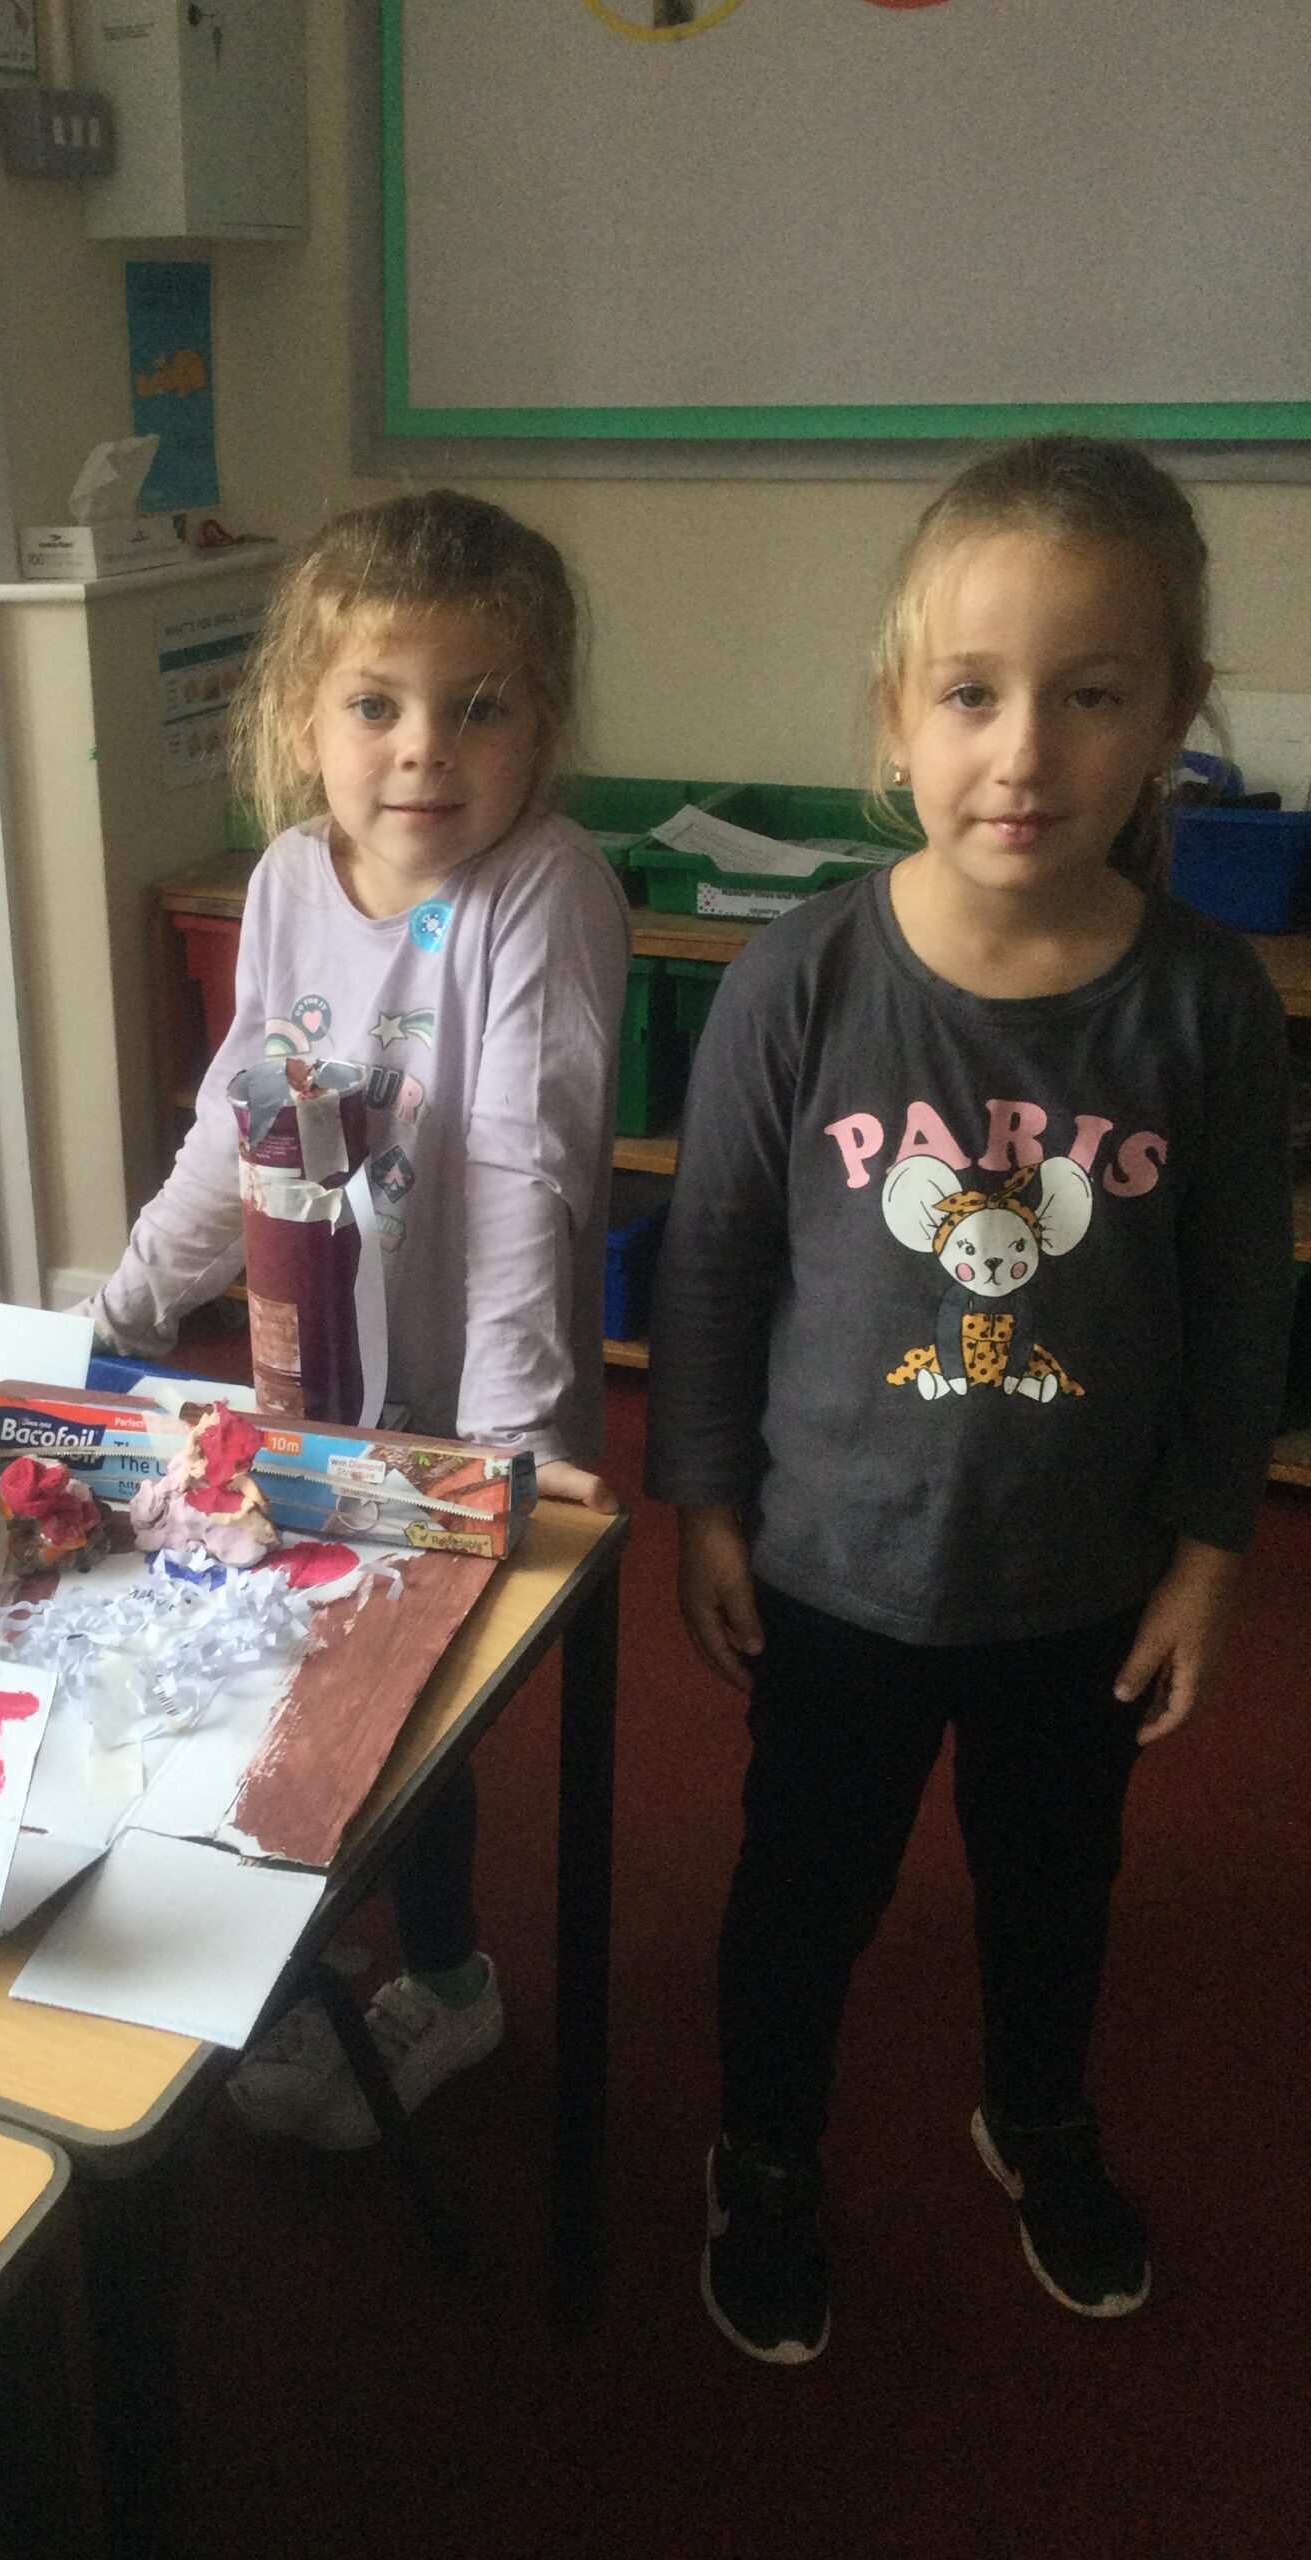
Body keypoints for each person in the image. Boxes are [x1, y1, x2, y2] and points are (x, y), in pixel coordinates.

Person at [647, 435, 1293, 2363]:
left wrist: (1212, 1554)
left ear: (1173, 716)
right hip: (838, 1570)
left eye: (1091, 696)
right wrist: (704, 1501)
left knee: (1054, 1888)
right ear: (895, 716)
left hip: (1081, 1583)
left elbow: (1239, 1299)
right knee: (804, 1894)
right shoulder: (799, 979)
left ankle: (1037, 2114)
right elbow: (714, 1262)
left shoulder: (1207, 1005)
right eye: (971, 693)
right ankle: (766, 2153)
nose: (1024, 752)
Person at [90, 487, 631, 2146]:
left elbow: (524, 1173)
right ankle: (314, 1930)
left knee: (410, 1719)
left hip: (468, 1406)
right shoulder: (283, 882)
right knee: (291, 1676)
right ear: (301, 719)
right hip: (306, 1390)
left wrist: (504, 1449)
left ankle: (452, 1981)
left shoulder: (540, 890)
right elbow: (235, 1124)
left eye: (480, 708)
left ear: (544, 724)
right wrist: (124, 1302)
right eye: (377, 705)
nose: (425, 751)